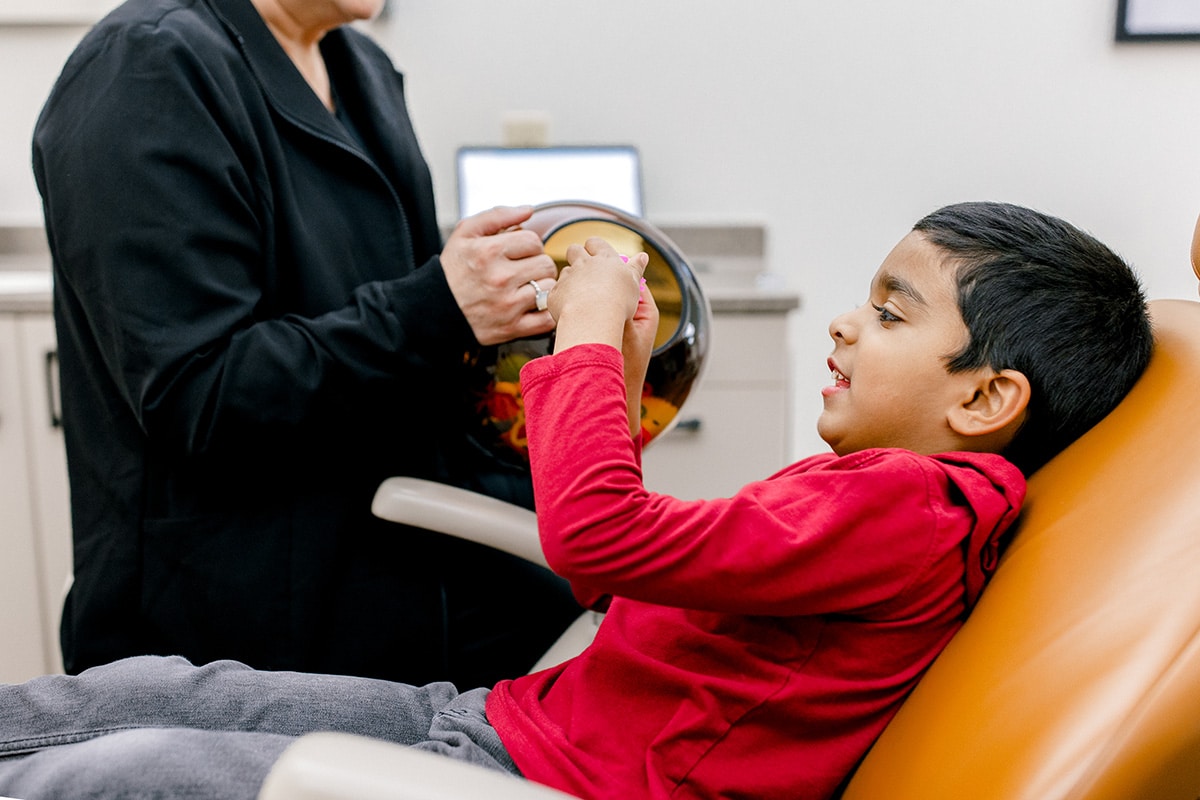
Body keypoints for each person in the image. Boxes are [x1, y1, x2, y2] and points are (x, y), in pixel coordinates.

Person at [0, 203, 1154, 800]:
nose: (849, 322)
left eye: (892, 314)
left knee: (123, 770)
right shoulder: (884, 493)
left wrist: (592, 335)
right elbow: (645, 563)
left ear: (987, 396)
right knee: (158, 689)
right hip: (514, 725)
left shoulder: (912, 508)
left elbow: (595, 536)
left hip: (552, 778)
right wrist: (624, 373)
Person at [31, 0, 583, 687]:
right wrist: (439, 307)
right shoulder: (144, 68)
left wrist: (560, 366)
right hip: (230, 632)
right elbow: (201, 395)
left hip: (388, 572)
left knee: (633, 635)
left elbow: (409, 348)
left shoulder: (361, 68)